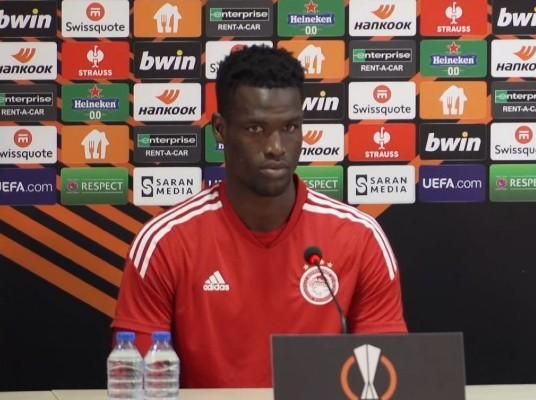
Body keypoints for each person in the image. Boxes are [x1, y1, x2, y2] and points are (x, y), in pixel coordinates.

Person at [112, 46, 407, 388]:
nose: (276, 147)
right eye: (255, 129)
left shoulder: (359, 237)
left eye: (290, 127)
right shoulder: (166, 242)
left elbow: (386, 377)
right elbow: (138, 386)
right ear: (220, 130)